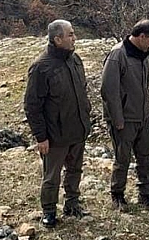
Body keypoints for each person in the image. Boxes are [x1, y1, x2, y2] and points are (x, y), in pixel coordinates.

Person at [24, 19, 92, 228]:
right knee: (51, 176)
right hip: (55, 135)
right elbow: (32, 106)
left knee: (75, 171)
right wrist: (41, 137)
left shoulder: (75, 60)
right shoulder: (40, 68)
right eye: (70, 34)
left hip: (78, 129)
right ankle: (49, 211)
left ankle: (72, 204)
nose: (74, 38)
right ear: (57, 39)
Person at [101, 19, 149, 210]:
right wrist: (117, 118)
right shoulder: (118, 55)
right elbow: (109, 90)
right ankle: (117, 195)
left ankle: (146, 194)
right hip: (124, 119)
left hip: (142, 116)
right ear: (141, 37)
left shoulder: (144, 55)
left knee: (145, 156)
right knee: (122, 158)